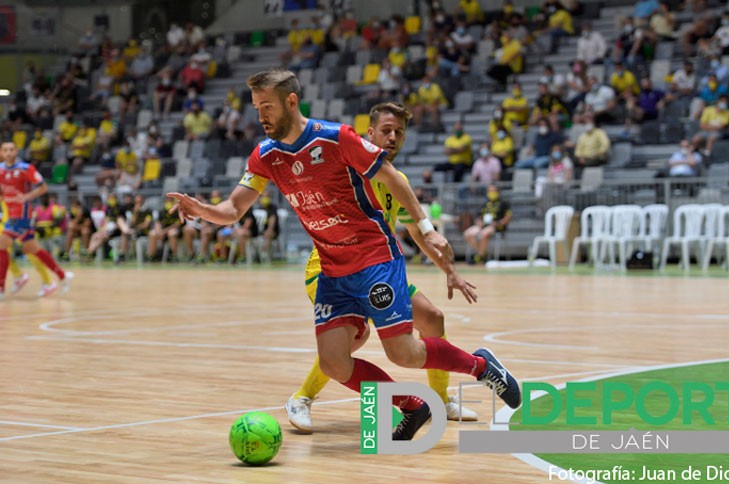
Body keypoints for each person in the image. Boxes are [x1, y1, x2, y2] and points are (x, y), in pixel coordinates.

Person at [167, 68, 521, 441]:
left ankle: (482, 367)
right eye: (257, 108)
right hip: (331, 271)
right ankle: (412, 405)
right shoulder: (265, 155)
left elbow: (393, 177)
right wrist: (202, 209)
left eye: (267, 106)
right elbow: (233, 210)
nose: (261, 116)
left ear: (291, 101)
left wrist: (428, 229)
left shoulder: (336, 138)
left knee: (404, 353)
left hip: (374, 261)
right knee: (334, 363)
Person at [285, 103, 480, 433]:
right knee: (350, 342)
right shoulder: (346, 170)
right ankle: (301, 398)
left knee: (432, 318)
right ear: (369, 134)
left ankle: (441, 399)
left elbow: (418, 233)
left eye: (399, 133)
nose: (392, 137)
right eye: (386, 131)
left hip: (376, 270)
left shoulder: (395, 180)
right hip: (328, 270)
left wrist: (450, 271)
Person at [0, 142, 73, 298]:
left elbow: (43, 187)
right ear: (1, 152)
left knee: (2, 245)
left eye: (11, 149)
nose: (8, 153)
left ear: (16, 151)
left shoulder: (26, 168)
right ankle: (62, 276)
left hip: (22, 214)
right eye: (5, 150)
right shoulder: (0, 170)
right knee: (32, 248)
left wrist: (27, 196)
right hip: (10, 212)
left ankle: (2, 287)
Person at [463, 184, 512, 265]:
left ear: (498, 192)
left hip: (496, 226)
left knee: (483, 234)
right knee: (467, 234)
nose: (491, 193)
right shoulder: (485, 203)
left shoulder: (504, 203)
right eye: (489, 191)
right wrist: (479, 222)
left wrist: (498, 223)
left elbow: (508, 217)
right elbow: (479, 216)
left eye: (493, 191)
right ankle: (483, 254)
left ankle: (479, 256)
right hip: (484, 225)